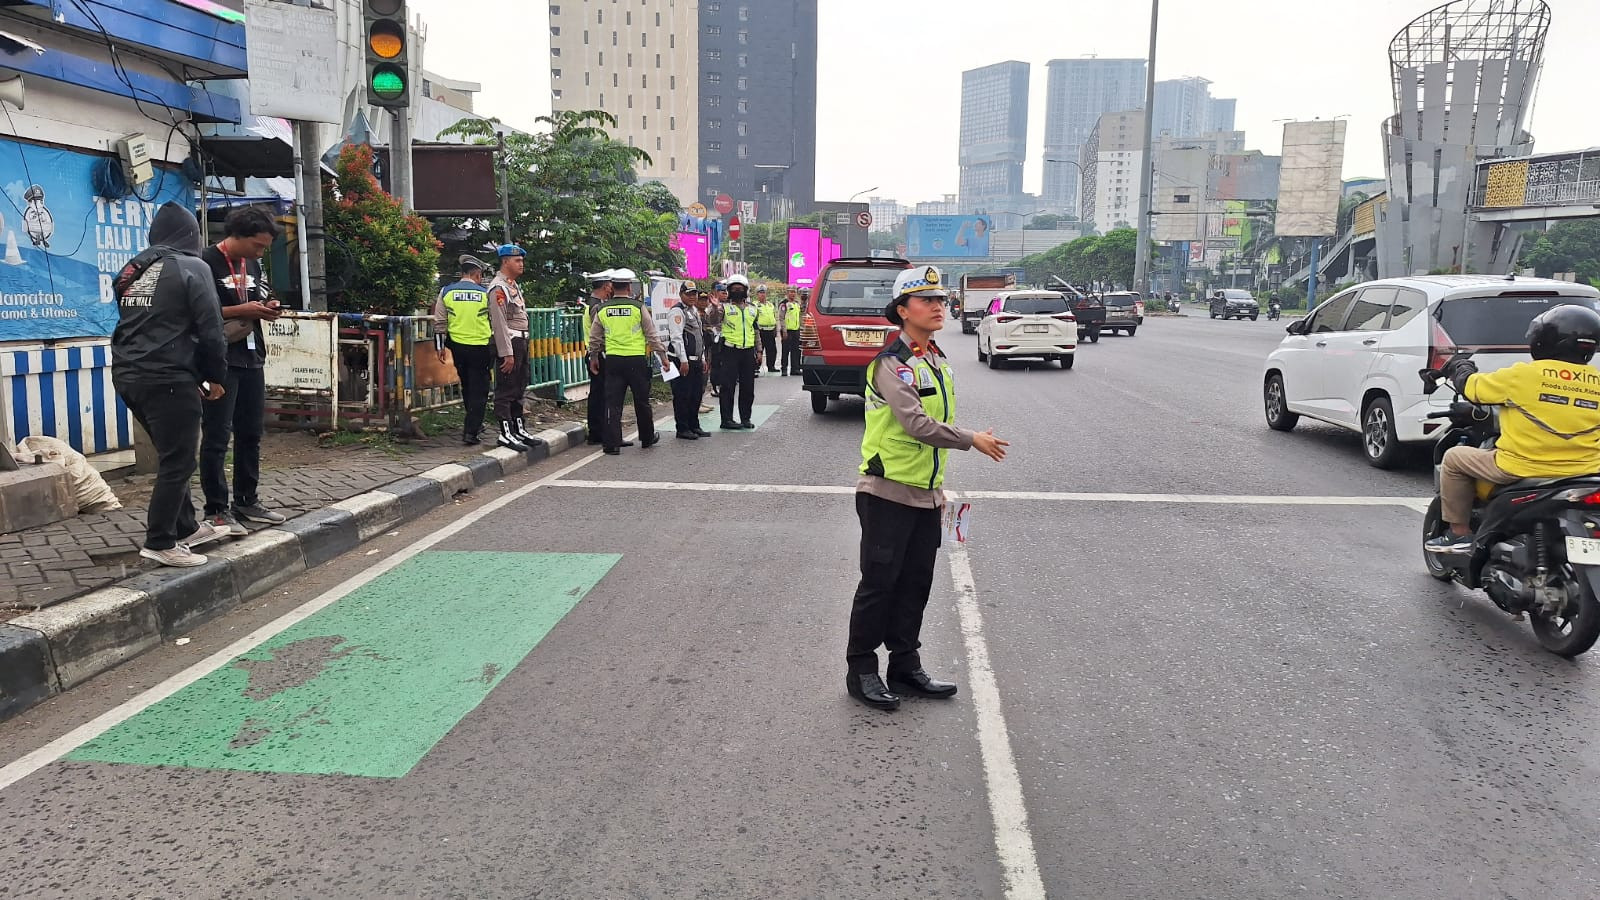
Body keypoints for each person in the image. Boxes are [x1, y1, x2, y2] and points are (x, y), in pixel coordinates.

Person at [846, 264, 1010, 711]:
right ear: (903, 310)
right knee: (879, 584)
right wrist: (971, 439)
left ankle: (905, 666)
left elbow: (937, 421)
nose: (939, 306)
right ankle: (862, 671)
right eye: (927, 300)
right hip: (886, 492)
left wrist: (941, 482)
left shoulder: (935, 359)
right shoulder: (891, 364)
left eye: (940, 300)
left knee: (915, 584)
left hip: (926, 493)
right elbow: (916, 424)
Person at [110, 202, 229, 567]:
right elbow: (211, 329)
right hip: (168, 377)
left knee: (172, 454)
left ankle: (186, 528)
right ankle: (160, 541)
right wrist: (215, 376)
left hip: (129, 374)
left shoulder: (132, 269)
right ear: (191, 235)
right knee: (179, 460)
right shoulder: (193, 266)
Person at [1427, 305, 1600, 554]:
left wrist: (1461, 367)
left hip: (1521, 467)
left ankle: (1458, 534)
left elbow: (1472, 387)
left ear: (1543, 340)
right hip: (1586, 473)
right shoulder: (1596, 380)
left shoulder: (1523, 375)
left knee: (1454, 458)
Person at [199, 206, 286, 537]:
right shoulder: (204, 262)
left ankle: (247, 500)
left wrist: (266, 308)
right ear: (237, 235)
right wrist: (242, 309)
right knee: (217, 435)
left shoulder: (253, 265)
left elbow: (258, 298)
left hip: (251, 355)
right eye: (257, 245)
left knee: (251, 433)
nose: (260, 253)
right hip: (218, 358)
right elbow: (199, 310)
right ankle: (216, 510)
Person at [588, 268, 670, 455]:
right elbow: (651, 335)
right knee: (641, 401)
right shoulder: (638, 307)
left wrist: (594, 357)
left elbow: (595, 337)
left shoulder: (602, 309)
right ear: (629, 287)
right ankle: (647, 438)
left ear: (612, 286)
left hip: (613, 360)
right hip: (636, 360)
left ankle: (611, 444)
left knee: (613, 402)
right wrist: (663, 357)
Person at [433, 255, 494, 445]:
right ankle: (471, 432)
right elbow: (495, 320)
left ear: (462, 273)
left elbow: (439, 322)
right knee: (480, 390)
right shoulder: (485, 294)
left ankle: (473, 423)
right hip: (481, 347)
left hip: (457, 347)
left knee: (467, 385)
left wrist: (439, 347)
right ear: (477, 274)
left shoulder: (446, 291)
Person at [487, 244, 537, 451]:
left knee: (519, 387)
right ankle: (505, 433)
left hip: (520, 342)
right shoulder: (498, 288)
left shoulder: (512, 285)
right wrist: (506, 353)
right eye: (517, 260)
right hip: (510, 343)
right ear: (505, 261)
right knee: (506, 389)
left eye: (522, 260)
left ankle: (519, 429)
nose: (521, 264)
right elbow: (499, 324)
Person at [667, 286, 712, 440]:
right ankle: (682, 428)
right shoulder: (677, 311)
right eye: (689, 294)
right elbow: (676, 338)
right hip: (681, 361)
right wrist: (683, 360)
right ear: (681, 295)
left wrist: (703, 358)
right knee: (682, 395)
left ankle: (694, 425)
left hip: (696, 359)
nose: (693, 297)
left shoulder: (693, 311)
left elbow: (699, 336)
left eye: (694, 294)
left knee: (695, 395)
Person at [718, 274, 760, 430]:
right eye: (734, 289)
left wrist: (759, 350)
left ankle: (745, 418)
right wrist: (715, 307)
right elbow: (712, 321)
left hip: (748, 352)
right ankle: (727, 420)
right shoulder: (723, 308)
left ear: (745, 290)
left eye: (740, 289)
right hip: (730, 351)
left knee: (748, 387)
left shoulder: (752, 309)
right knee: (727, 387)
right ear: (729, 291)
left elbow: (756, 331)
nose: (737, 291)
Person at [581, 269, 616, 446]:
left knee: (598, 393)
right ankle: (598, 432)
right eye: (610, 285)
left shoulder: (593, 303)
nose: (612, 288)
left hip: (594, 353)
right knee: (600, 394)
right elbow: (599, 333)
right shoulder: (597, 307)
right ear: (605, 286)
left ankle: (597, 431)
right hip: (598, 354)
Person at [704, 281, 727, 398]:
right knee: (716, 364)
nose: (725, 294)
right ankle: (715, 386)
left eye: (726, 292)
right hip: (715, 339)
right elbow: (712, 320)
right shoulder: (711, 306)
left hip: (727, 339)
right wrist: (715, 307)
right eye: (722, 292)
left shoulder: (729, 305)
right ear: (715, 293)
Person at [778, 287, 805, 376]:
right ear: (787, 293)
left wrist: (801, 328)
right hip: (787, 331)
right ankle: (784, 369)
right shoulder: (784, 304)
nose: (793, 294)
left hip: (796, 330)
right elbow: (781, 318)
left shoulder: (797, 304)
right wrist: (784, 330)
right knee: (785, 351)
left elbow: (800, 316)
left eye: (794, 292)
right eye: (791, 292)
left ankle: (795, 369)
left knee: (796, 351)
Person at [755, 284, 780, 373]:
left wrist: (776, 329)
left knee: (772, 350)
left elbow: (774, 317)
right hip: (761, 330)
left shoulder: (770, 305)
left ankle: (771, 366)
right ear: (757, 294)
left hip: (770, 330)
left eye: (764, 292)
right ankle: (756, 367)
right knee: (759, 349)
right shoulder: (755, 305)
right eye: (760, 293)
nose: (762, 294)